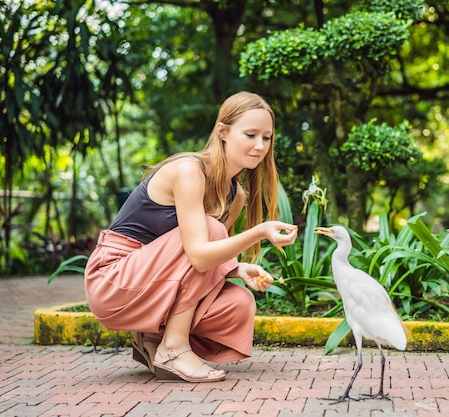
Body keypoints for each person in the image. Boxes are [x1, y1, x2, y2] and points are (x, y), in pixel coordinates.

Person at [84, 91, 298, 383]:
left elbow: (199, 265)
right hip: (113, 279)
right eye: (250, 135)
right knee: (212, 230)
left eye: (267, 137)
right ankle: (173, 349)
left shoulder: (237, 196)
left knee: (239, 302)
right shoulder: (189, 171)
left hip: (150, 282)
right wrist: (260, 232)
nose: (260, 146)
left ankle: (152, 340)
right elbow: (198, 253)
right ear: (222, 131)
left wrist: (236, 268)